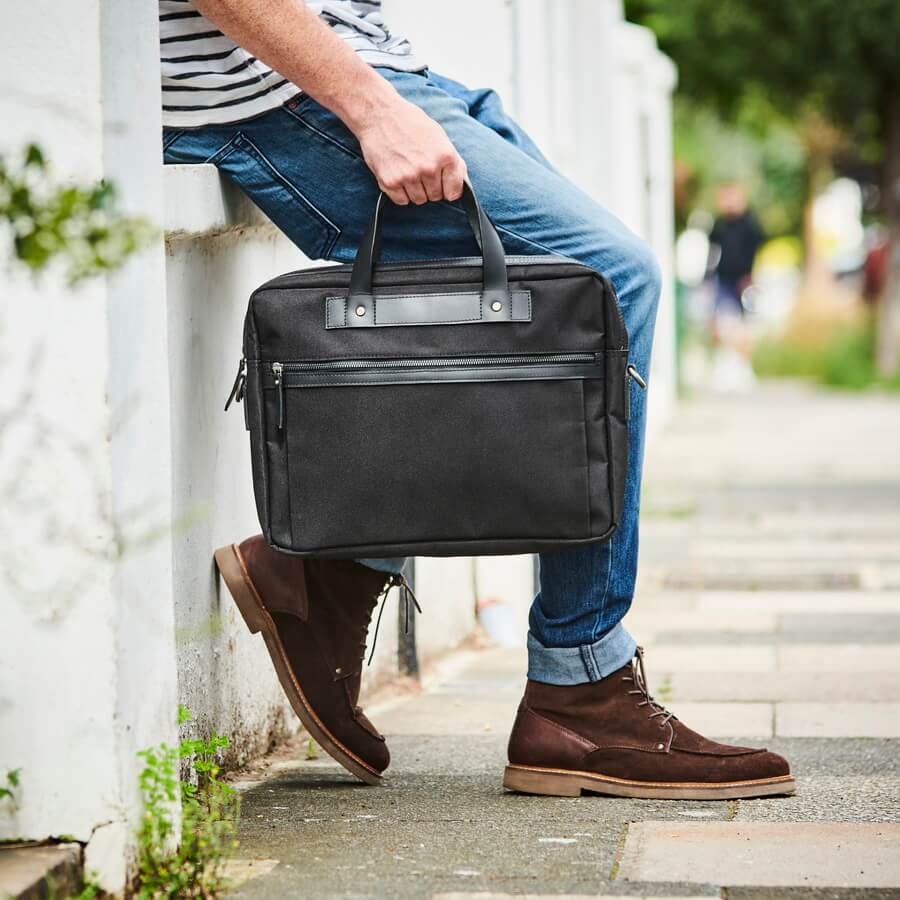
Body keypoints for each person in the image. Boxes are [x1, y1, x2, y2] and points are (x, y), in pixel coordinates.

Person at [160, 0, 794, 799]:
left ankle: (334, 572)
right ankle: (581, 679)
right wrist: (369, 106)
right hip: (274, 92)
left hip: (384, 72)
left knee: (540, 311)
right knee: (607, 283)